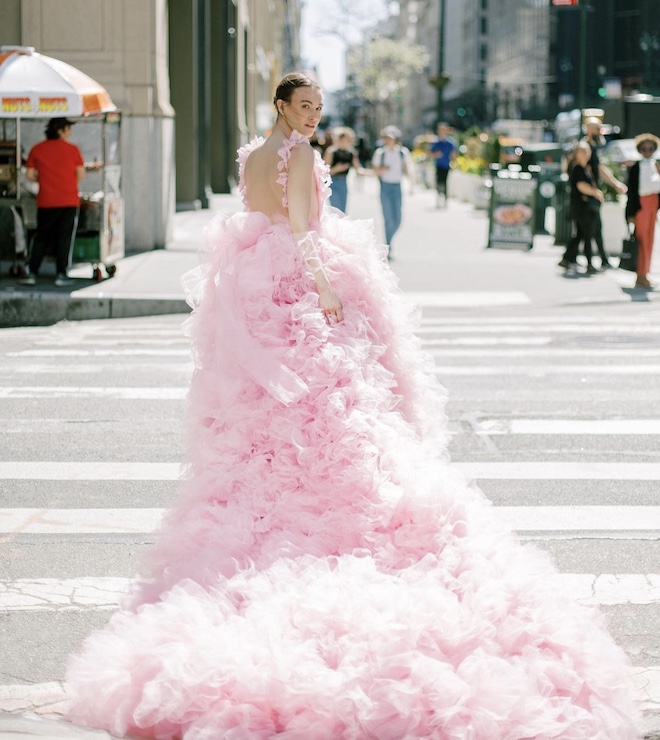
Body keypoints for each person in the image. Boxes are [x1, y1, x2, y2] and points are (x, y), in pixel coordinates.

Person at [66, 73, 639, 739]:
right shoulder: (301, 156)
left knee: (266, 414)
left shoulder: (253, 154)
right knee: (332, 401)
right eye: (302, 106)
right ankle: (330, 503)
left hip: (254, 288)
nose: (311, 116)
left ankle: (272, 504)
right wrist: (327, 290)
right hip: (299, 280)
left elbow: (253, 217)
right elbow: (305, 227)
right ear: (282, 106)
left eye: (316, 107)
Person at [18, 117, 86, 287]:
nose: (70, 132)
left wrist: (45, 179)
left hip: (46, 200)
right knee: (64, 238)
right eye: (68, 128)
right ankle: (62, 274)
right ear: (60, 130)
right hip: (69, 199)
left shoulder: (37, 149)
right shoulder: (73, 150)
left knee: (41, 237)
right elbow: (81, 174)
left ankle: (32, 272)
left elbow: (30, 175)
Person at [582, 117, 627, 269]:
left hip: (592, 195)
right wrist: (593, 190)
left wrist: (615, 185)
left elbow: (600, 169)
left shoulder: (593, 147)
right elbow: (583, 172)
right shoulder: (584, 148)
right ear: (589, 130)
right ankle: (590, 262)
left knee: (594, 229)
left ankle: (602, 259)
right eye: (597, 129)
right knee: (588, 231)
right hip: (585, 196)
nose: (600, 132)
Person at [559, 140, 603, 275]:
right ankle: (589, 263)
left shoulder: (585, 168)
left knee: (580, 235)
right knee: (587, 235)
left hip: (584, 208)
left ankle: (566, 259)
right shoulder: (578, 168)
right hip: (583, 208)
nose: (585, 154)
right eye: (582, 151)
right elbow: (581, 186)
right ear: (577, 153)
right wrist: (595, 192)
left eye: (587, 151)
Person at [625, 132, 660, 290]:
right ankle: (640, 275)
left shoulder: (656, 165)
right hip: (641, 206)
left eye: (650, 148)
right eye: (645, 149)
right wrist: (630, 214)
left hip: (653, 205)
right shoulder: (635, 168)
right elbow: (631, 192)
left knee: (650, 240)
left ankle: (645, 273)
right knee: (641, 241)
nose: (648, 151)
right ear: (640, 150)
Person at [371, 125, 411, 259]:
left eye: (390, 138)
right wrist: (382, 169)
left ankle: (388, 241)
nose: (388, 140)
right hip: (385, 187)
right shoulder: (380, 153)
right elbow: (375, 170)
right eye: (386, 138)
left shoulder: (402, 152)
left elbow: (407, 169)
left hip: (397, 187)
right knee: (388, 219)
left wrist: (412, 184)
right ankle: (388, 245)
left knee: (398, 219)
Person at [323, 127, 364, 212]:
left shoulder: (352, 153)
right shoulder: (331, 151)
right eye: (347, 139)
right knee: (335, 209)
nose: (350, 141)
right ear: (340, 139)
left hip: (344, 182)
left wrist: (375, 172)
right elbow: (324, 172)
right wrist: (337, 169)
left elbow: (359, 169)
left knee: (342, 211)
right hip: (332, 182)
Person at [430, 122, 457, 207]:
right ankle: (438, 198)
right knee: (438, 182)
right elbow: (430, 154)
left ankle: (445, 199)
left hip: (446, 165)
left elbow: (454, 154)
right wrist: (436, 155)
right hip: (438, 165)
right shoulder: (436, 142)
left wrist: (454, 159)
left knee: (445, 182)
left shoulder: (450, 142)